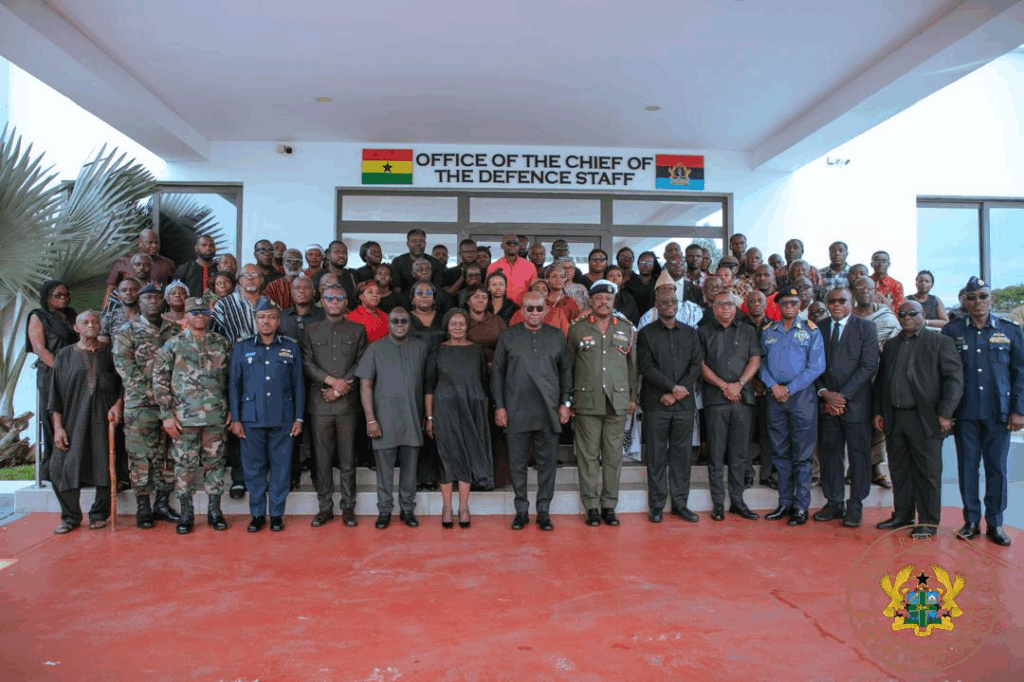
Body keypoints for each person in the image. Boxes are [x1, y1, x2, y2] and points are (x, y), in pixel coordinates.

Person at [942, 277, 1023, 546]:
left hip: (998, 413)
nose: (978, 302)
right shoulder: (952, 331)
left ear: (991, 299)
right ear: (964, 300)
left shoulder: (1010, 330)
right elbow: (944, 375)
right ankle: (972, 521)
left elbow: (1020, 373)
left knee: (997, 469)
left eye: (983, 296)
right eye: (972, 297)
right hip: (965, 413)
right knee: (967, 469)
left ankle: (996, 524)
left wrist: (1018, 411)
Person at [874, 300, 964, 538]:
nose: (906, 318)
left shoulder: (940, 342)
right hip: (895, 417)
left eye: (912, 313)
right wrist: (879, 411)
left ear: (923, 314)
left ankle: (928, 521)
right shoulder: (892, 345)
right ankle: (902, 515)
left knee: (928, 473)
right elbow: (882, 381)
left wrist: (945, 413)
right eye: (901, 314)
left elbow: (954, 379)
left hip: (926, 418)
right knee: (900, 470)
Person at [492, 292, 572, 531]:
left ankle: (544, 511)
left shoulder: (557, 336)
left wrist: (565, 404)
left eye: (539, 308)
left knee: (547, 465)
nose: (534, 313)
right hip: (516, 410)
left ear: (545, 311)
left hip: (548, 411)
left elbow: (566, 372)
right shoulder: (508, 335)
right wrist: (500, 406)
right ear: (522, 310)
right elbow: (497, 372)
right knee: (517, 464)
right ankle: (521, 511)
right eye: (530, 308)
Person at [152, 297, 232, 534]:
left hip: (215, 417)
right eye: (194, 312)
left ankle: (214, 511)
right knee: (184, 466)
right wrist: (166, 415)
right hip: (184, 418)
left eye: (203, 312)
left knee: (215, 464)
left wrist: (232, 409)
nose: (200, 316)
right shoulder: (173, 345)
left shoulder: (221, 343)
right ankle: (187, 513)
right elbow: (160, 381)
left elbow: (234, 380)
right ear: (185, 317)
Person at [229, 300, 304, 533]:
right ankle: (258, 514)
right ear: (255, 320)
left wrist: (299, 418)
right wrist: (236, 419)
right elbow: (234, 385)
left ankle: (277, 515)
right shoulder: (242, 347)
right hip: (251, 418)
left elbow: (298, 385)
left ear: (278, 321)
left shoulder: (291, 347)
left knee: (281, 469)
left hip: (283, 417)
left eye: (271, 317)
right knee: (254, 470)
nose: (266, 321)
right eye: (262, 317)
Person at [567, 280, 638, 527]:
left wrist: (632, 398)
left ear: (613, 301)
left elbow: (633, 367)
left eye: (608, 299)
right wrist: (569, 399)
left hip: (617, 401)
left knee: (612, 456)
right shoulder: (577, 329)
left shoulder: (627, 328)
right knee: (587, 456)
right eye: (598, 298)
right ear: (591, 301)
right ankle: (591, 506)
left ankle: (609, 505)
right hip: (586, 400)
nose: (603, 302)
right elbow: (569, 366)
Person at [356, 307, 432, 530]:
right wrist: (371, 419)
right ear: (388, 324)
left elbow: (428, 384)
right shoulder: (375, 349)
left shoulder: (421, 347)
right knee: (384, 472)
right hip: (383, 421)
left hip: (412, 420)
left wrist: (427, 417)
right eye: (395, 321)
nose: (399, 325)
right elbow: (365, 385)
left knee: (410, 471)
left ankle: (407, 509)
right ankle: (385, 511)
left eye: (404, 321)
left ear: (410, 323)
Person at [47, 311, 123, 534]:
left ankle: (99, 514)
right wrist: (58, 427)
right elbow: (55, 395)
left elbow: (122, 385)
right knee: (61, 466)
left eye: (95, 321)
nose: (91, 325)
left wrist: (118, 404)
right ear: (76, 328)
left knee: (105, 464)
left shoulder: (110, 354)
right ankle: (70, 517)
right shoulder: (64, 355)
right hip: (73, 420)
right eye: (85, 322)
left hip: (103, 419)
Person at [112, 283, 181, 528]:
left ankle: (162, 503)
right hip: (140, 405)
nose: (152, 301)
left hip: (170, 407)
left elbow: (181, 368)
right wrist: (155, 395)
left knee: (167, 455)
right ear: (139, 303)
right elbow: (126, 369)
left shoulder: (174, 331)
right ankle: (143, 507)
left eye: (156, 297)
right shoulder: (127, 331)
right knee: (140, 457)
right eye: (147, 298)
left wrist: (169, 399)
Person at [299, 284, 368, 527]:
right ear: (323, 302)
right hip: (320, 404)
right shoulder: (310, 330)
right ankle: (325, 507)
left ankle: (348, 508)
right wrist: (331, 382)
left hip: (347, 405)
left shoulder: (358, 330)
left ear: (346, 302)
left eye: (340, 298)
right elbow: (307, 364)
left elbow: (361, 363)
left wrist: (339, 389)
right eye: (330, 298)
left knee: (348, 460)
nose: (335, 302)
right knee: (322, 460)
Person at [812, 287, 879, 529]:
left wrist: (842, 398)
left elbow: (868, 367)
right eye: (832, 301)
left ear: (851, 302)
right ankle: (834, 502)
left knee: (859, 456)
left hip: (856, 404)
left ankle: (855, 505)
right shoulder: (818, 328)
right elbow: (813, 365)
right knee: (830, 454)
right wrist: (825, 394)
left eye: (842, 300)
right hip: (826, 404)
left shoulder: (866, 328)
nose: (837, 305)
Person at [759, 286, 826, 527]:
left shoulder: (811, 331)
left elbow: (817, 366)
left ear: (800, 306)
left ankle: (800, 506)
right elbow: (761, 362)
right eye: (784, 303)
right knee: (780, 452)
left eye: (793, 303)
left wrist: (790, 388)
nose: (789, 307)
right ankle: (784, 502)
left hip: (801, 397)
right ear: (777, 305)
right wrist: (773, 386)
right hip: (775, 397)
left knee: (803, 454)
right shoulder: (768, 331)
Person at [637, 290, 704, 523]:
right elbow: (646, 366)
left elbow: (696, 365)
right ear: (657, 305)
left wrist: (677, 392)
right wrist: (671, 388)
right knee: (655, 456)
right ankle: (656, 506)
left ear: (678, 305)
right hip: (656, 403)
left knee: (682, 456)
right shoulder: (645, 334)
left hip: (683, 404)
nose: (669, 306)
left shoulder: (690, 333)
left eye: (673, 302)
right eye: (664, 302)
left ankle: (680, 505)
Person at [698, 292, 763, 521]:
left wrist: (739, 384)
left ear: (736, 308)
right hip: (716, 399)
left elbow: (755, 359)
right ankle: (718, 503)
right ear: (713, 308)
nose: (726, 308)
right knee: (715, 453)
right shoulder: (703, 331)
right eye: (720, 305)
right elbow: (700, 364)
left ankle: (737, 501)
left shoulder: (748, 330)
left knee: (739, 453)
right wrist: (724, 385)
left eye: (730, 304)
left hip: (742, 399)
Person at [426, 309, 493, 529]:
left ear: (467, 326)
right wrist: (429, 417)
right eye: (453, 323)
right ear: (447, 326)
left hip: (471, 408)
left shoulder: (477, 352)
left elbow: (483, 386)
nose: (457, 327)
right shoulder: (437, 351)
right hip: (444, 408)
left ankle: (463, 507)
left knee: (466, 454)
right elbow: (429, 388)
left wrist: (482, 416)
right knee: (446, 455)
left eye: (461, 324)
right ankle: (447, 508)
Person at [851, 275, 900, 488]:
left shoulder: (885, 316)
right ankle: (854, 468)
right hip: (853, 379)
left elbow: (896, 342)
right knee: (856, 426)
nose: (864, 291)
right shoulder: (847, 316)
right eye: (859, 288)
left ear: (875, 291)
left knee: (878, 424)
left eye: (868, 288)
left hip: (880, 377)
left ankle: (876, 468)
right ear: (853, 292)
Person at [27, 280, 79, 476]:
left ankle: (75, 468)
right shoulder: (37, 316)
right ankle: (53, 470)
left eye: (66, 294)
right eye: (58, 295)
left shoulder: (72, 314)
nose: (64, 298)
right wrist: (62, 369)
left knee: (73, 419)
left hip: (75, 373)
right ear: (47, 298)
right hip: (52, 374)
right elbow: (39, 349)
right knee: (53, 421)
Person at [103, 228, 175, 306]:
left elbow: (172, 289)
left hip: (154, 308)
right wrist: (105, 310)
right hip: (127, 308)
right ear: (139, 242)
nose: (154, 246)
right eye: (150, 242)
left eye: (156, 243)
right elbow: (111, 288)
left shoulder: (167, 264)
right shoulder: (122, 262)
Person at [487, 231, 537, 306]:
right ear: (502, 246)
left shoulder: (530, 266)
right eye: (508, 243)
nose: (512, 245)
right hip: (501, 310)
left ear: (518, 246)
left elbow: (534, 291)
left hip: (523, 309)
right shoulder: (493, 267)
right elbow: (489, 291)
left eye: (515, 243)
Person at [392, 228, 445, 293]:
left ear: (425, 243)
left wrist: (425, 299)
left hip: (429, 299)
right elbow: (397, 290)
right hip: (403, 301)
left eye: (421, 241)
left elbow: (437, 289)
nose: (418, 244)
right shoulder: (397, 262)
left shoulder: (435, 263)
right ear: (408, 244)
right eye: (414, 241)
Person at [465, 284, 505, 366]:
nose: (480, 300)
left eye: (484, 297)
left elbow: (506, 346)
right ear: (468, 300)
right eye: (476, 297)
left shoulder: (497, 320)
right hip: (468, 366)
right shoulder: (462, 321)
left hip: (495, 366)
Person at [174, 234, 218, 300]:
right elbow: (175, 292)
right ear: (196, 248)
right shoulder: (185, 269)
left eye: (211, 245)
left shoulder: (219, 269)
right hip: (190, 308)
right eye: (204, 245)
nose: (208, 248)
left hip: (216, 309)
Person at [99, 277, 141, 344]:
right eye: (124, 290)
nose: (128, 293)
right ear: (118, 295)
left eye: (133, 290)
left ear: (140, 293)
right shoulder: (109, 317)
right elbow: (102, 346)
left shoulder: (147, 316)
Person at [624, 250, 659, 315]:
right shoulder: (629, 285)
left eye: (649, 263)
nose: (645, 265)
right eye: (642, 262)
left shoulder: (659, 284)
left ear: (654, 265)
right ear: (637, 264)